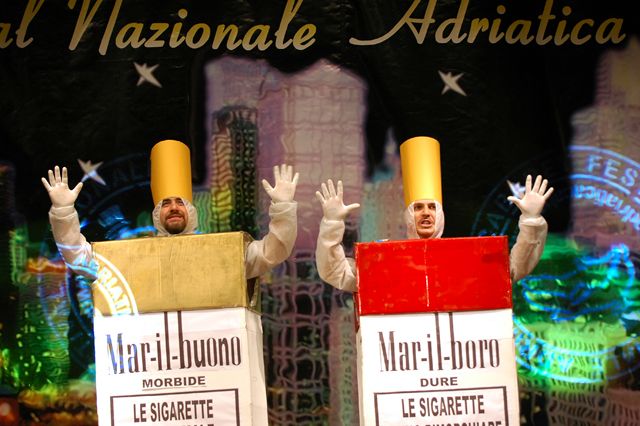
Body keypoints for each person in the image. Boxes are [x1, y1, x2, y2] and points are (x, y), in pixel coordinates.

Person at [41, 140, 299, 280]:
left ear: (191, 211)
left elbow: (272, 252)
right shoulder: (134, 256)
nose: (173, 208)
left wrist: (283, 209)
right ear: (156, 214)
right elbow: (81, 260)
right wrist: (63, 212)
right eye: (166, 203)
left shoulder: (221, 252)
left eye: (179, 202)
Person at [315, 174, 553, 292]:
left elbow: (512, 269)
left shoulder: (464, 257)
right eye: (418, 207)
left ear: (440, 214)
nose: (426, 213)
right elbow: (336, 271)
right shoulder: (385, 259)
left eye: (432, 207)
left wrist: (531, 221)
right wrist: (332, 223)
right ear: (409, 215)